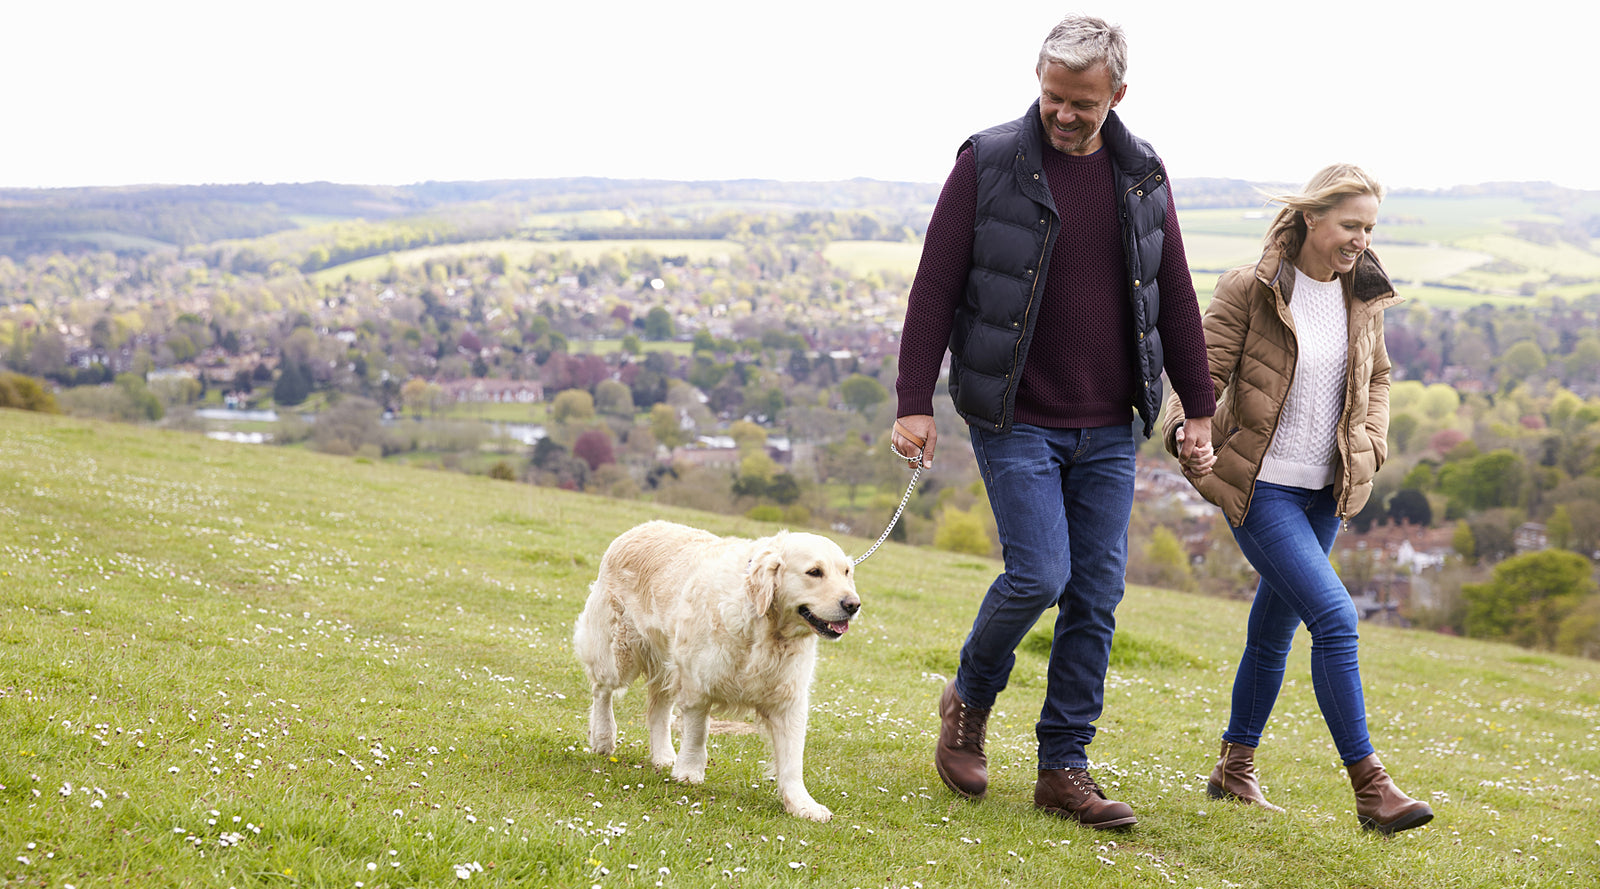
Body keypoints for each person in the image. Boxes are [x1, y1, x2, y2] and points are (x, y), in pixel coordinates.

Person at [890, 14, 1216, 831]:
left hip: (1109, 421)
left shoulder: (1141, 172)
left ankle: (1063, 766)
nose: (1064, 115)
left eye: (1082, 103)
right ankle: (968, 699)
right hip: (1016, 413)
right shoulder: (989, 160)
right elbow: (934, 285)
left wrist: (1200, 408)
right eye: (1052, 97)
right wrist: (912, 400)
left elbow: (1172, 294)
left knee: (1097, 593)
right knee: (1040, 574)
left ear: (1118, 94)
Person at [1161, 163, 1434, 835]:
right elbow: (1202, 371)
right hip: (1261, 488)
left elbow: (1379, 376)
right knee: (1337, 618)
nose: (1360, 241)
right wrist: (1182, 429)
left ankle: (1234, 766)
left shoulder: (1361, 296)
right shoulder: (1249, 289)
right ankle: (1371, 786)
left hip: (1324, 493)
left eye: (1369, 228)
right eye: (1350, 225)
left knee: (1274, 628)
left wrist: (1370, 441)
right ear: (1312, 218)